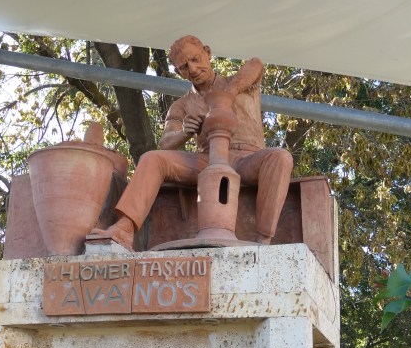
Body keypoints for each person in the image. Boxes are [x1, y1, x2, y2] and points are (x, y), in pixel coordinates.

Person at [89, 35, 293, 249]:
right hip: (208, 161)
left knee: (281, 157)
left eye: (195, 59)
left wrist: (227, 95)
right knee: (152, 158)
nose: (193, 69)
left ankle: (263, 241)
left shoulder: (240, 83)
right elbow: (166, 142)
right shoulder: (182, 105)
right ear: (178, 72)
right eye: (184, 67)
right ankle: (124, 228)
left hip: (248, 158)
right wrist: (185, 132)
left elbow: (256, 64)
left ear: (208, 52)